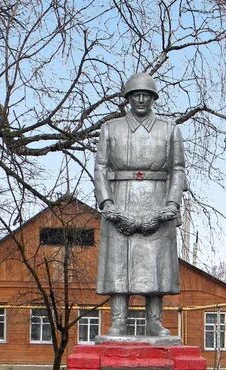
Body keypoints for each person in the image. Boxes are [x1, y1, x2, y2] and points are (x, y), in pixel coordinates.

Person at [93, 72, 186, 338]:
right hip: (120, 195)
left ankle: (154, 321)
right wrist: (107, 202)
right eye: (136, 95)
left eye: (147, 94)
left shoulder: (169, 129)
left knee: (155, 264)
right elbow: (100, 167)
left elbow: (178, 169)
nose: (142, 99)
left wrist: (171, 204)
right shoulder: (111, 128)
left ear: (154, 98)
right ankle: (118, 321)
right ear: (128, 98)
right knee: (118, 263)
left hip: (158, 197)